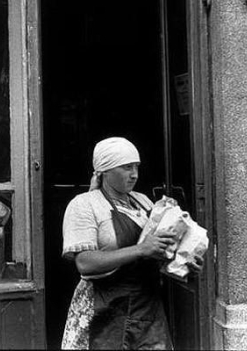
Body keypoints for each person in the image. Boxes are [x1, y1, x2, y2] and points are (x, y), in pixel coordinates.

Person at [60, 136, 199, 350]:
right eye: (126, 167)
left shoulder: (143, 201)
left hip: (147, 309)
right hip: (103, 310)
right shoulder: (84, 205)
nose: (134, 174)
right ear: (104, 170)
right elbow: (85, 263)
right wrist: (141, 249)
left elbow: (158, 253)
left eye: (136, 167)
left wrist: (184, 263)